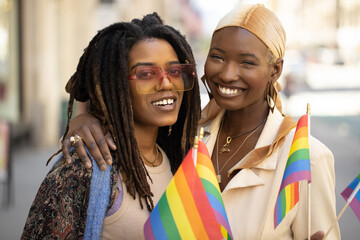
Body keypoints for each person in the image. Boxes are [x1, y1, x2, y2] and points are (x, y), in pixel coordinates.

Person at [62, 4, 340, 240]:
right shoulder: (184, 136)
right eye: (217, 57)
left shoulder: (305, 159)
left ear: (275, 70)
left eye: (247, 62)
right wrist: (85, 121)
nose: (228, 74)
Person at [21, 13, 200, 239]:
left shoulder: (180, 159)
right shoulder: (85, 167)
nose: (166, 83)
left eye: (174, 71)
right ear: (116, 85)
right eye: (146, 74)